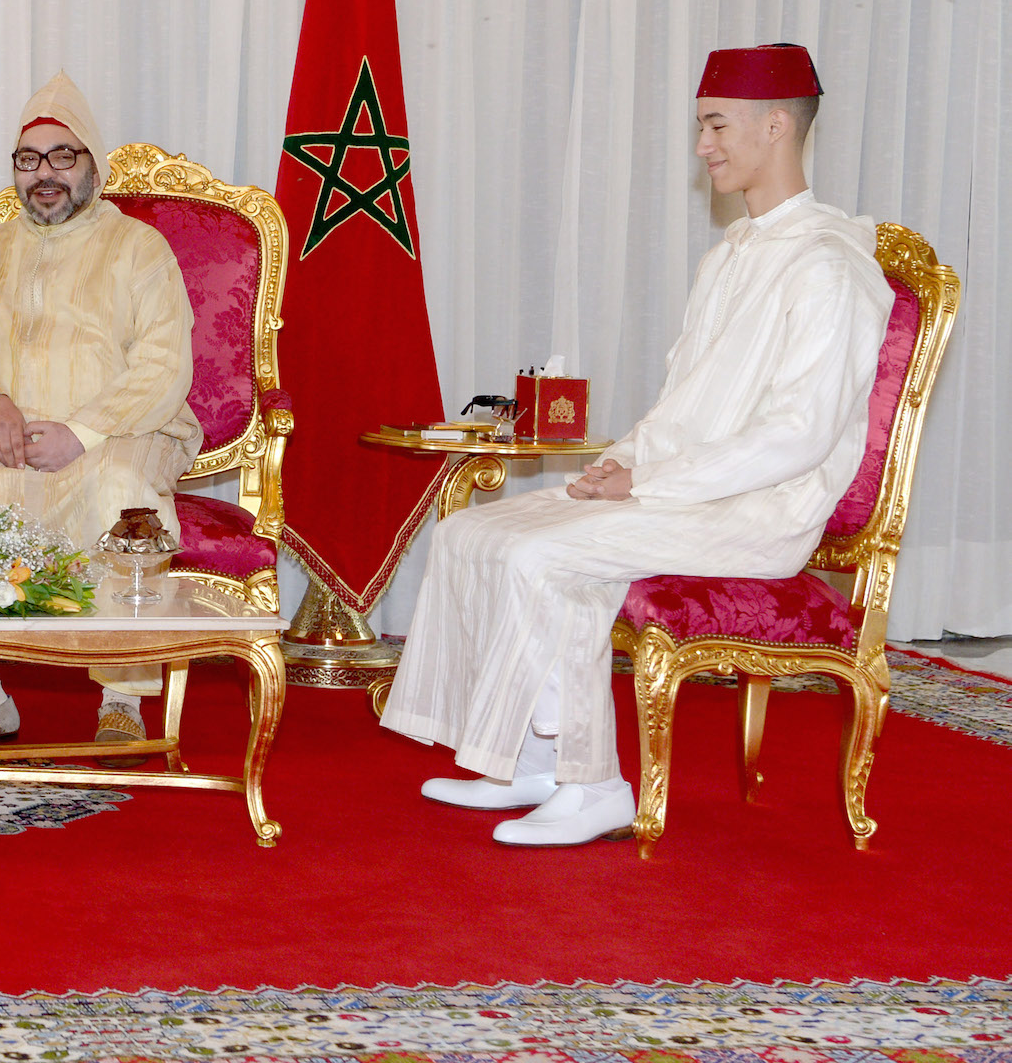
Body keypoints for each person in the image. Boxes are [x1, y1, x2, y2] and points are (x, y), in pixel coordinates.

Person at [380, 43, 892, 846]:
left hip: (759, 511)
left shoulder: (828, 267)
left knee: (541, 557)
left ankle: (593, 787)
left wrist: (649, 486)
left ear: (775, 125)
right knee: (471, 531)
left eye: (715, 125)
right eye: (700, 126)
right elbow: (683, 403)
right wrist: (624, 460)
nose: (702, 147)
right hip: (687, 490)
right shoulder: (727, 257)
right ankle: (529, 759)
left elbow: (799, 435)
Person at [0, 73, 201, 754]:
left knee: (120, 494)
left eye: (63, 157)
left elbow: (162, 365)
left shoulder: (138, 249)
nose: (45, 175)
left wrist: (81, 432)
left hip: (122, 432)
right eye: (29, 160)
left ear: (93, 164)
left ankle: (122, 697)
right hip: (6, 437)